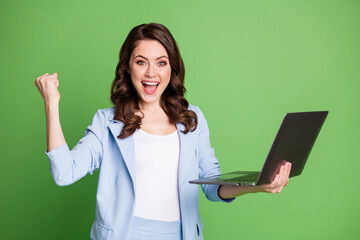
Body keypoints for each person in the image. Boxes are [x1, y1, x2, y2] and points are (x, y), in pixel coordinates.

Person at [34, 23, 291, 240]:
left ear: (172, 68)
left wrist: (256, 186)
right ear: (127, 68)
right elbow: (63, 173)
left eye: (161, 62)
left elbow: (213, 185)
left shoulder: (193, 119)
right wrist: (51, 104)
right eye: (141, 62)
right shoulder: (107, 122)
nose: (151, 73)